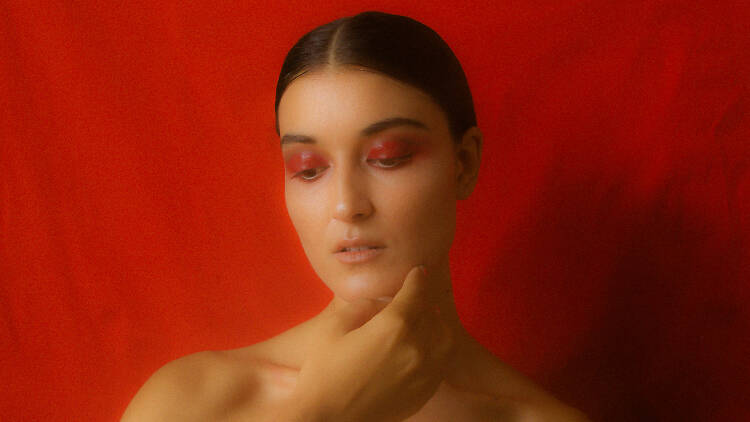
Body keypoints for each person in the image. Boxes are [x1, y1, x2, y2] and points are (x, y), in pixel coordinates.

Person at [121, 10, 591, 421]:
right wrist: (320, 416)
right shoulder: (190, 402)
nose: (347, 205)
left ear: (463, 163)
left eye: (388, 157)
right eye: (309, 169)